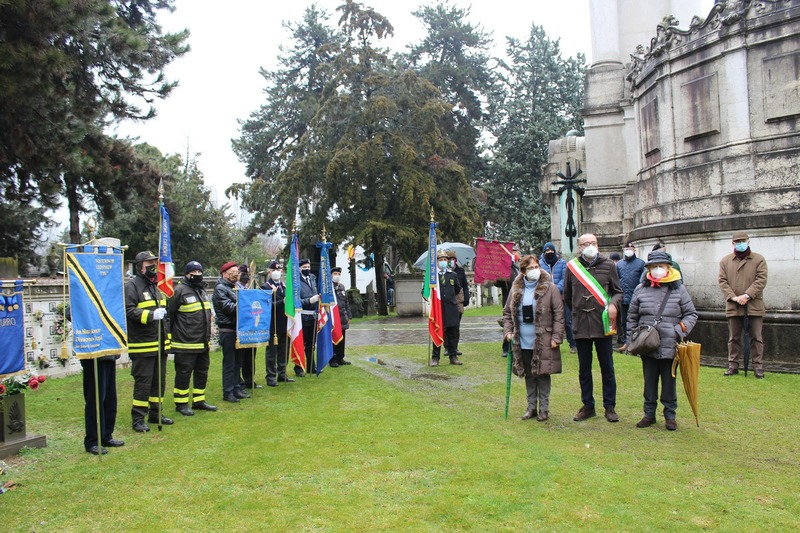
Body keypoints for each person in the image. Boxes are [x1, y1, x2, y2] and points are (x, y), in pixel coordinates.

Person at [627, 250, 697, 431]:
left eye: (661, 266)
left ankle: (670, 416)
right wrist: (632, 338)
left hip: (670, 343)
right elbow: (632, 317)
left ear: (668, 268)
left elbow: (691, 314)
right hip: (647, 344)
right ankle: (648, 414)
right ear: (649, 268)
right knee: (649, 381)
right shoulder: (640, 289)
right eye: (654, 266)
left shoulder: (679, 289)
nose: (658, 270)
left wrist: (679, 329)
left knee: (669, 382)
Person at [563, 234, 623, 423]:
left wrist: (613, 305)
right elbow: (568, 296)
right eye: (585, 244)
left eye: (593, 243)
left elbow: (618, 292)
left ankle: (610, 406)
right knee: (584, 369)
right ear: (579, 247)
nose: (590, 246)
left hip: (602, 324)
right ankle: (588, 406)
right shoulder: (572, 268)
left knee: (607, 367)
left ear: (598, 245)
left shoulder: (609, 265)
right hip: (581, 324)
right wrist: (580, 313)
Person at [503, 254, 564, 422]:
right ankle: (531, 408)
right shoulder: (516, 289)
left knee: (543, 374)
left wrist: (557, 337)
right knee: (529, 374)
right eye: (530, 268)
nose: (534, 271)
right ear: (523, 271)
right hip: (522, 339)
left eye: (536, 267)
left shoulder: (550, 288)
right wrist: (508, 332)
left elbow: (559, 314)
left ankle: (544, 409)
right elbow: (507, 313)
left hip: (544, 339)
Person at [125, 250, 173, 432]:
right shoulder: (132, 287)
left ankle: (156, 413)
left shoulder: (156, 286)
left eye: (155, 264)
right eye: (149, 265)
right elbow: (129, 311)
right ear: (140, 268)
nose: (154, 268)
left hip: (160, 344)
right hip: (143, 345)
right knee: (143, 383)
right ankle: (138, 418)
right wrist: (151, 315)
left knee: (158, 382)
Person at [168, 261, 217, 416]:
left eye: (199, 272)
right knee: (184, 373)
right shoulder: (179, 291)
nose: (197, 275)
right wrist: (169, 338)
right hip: (185, 343)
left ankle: (199, 400)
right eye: (194, 272)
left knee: (202, 372)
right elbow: (169, 316)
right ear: (187, 274)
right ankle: (181, 403)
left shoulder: (202, 291)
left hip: (203, 342)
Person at [718, 231, 768, 378]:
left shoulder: (759, 259)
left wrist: (747, 295)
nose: (741, 244)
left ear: (748, 241)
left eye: (743, 241)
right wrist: (734, 298)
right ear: (732, 243)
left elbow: (761, 280)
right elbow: (722, 281)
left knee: (756, 337)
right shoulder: (725, 261)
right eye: (737, 241)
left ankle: (757, 366)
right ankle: (733, 365)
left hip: (754, 305)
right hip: (734, 305)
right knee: (733, 337)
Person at [213, 260, 246, 402]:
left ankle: (237, 387)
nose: (236, 275)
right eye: (233, 273)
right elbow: (228, 308)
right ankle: (228, 392)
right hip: (228, 330)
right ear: (225, 274)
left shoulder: (236, 287)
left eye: (237, 272)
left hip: (238, 330)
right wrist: (245, 303)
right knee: (229, 362)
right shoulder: (220, 289)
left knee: (238, 362)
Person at [261, 260, 294, 387]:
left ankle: (282, 373)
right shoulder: (265, 287)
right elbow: (266, 306)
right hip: (272, 324)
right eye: (274, 270)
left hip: (285, 322)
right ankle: (270, 376)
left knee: (284, 350)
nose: (277, 273)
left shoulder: (285, 286)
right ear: (269, 272)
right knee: (272, 352)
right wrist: (282, 302)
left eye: (279, 270)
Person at [540, 242, 576, 353]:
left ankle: (573, 344)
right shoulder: (540, 263)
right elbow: (541, 278)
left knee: (567, 321)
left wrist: (556, 289)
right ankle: (548, 343)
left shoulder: (562, 263)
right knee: (547, 321)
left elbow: (564, 278)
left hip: (561, 296)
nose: (549, 253)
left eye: (551, 251)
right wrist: (548, 288)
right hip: (546, 296)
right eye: (547, 251)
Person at [431, 250, 463, 366]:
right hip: (438, 309)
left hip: (451, 308)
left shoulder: (452, 275)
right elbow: (426, 291)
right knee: (437, 332)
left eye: (445, 260)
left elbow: (457, 289)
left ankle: (453, 356)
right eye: (441, 260)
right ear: (437, 262)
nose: (443, 262)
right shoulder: (433, 277)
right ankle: (435, 358)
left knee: (452, 333)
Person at [616, 241, 646, 352]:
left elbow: (643, 280)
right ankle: (626, 342)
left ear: (634, 250)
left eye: (631, 249)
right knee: (624, 321)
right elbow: (615, 280)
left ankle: (637, 342)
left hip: (637, 298)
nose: (628, 251)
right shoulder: (619, 264)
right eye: (626, 249)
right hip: (624, 298)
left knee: (637, 321)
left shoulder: (641, 264)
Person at [236, 264, 260, 390]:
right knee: (240, 357)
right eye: (242, 274)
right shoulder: (235, 288)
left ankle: (250, 380)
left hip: (252, 327)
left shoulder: (251, 288)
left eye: (247, 274)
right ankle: (239, 381)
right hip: (240, 328)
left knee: (250, 356)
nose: (245, 277)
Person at [496, 246, 520, 357]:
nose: (514, 253)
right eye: (512, 251)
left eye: (516, 251)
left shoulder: (518, 268)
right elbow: (497, 283)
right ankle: (505, 348)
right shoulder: (505, 269)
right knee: (508, 325)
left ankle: (517, 347)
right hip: (508, 301)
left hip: (520, 301)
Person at [298, 258, 320, 376]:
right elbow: (296, 301)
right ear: (299, 269)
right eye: (304, 267)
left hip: (313, 316)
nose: (307, 269)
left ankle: (311, 366)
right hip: (302, 315)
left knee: (311, 344)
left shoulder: (312, 278)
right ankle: (299, 367)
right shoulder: (296, 281)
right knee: (300, 343)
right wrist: (309, 300)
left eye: (308, 267)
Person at [330, 266, 352, 367]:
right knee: (334, 338)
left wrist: (349, 316)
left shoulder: (342, 287)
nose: (337, 276)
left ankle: (340, 357)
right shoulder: (329, 288)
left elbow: (346, 303)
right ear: (331, 275)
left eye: (339, 274)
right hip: (333, 318)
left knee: (342, 338)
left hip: (342, 317)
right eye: (335, 274)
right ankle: (332, 359)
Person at [449, 251, 469, 356]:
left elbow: (465, 285)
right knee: (447, 326)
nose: (451, 261)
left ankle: (454, 347)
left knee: (456, 326)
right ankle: (447, 347)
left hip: (458, 300)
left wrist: (466, 299)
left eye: (453, 259)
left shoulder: (460, 271)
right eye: (449, 259)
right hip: (447, 301)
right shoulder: (444, 272)